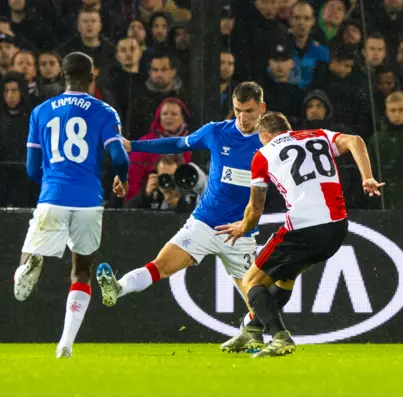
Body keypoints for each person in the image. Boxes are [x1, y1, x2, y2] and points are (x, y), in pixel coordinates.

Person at [96, 82, 289, 353]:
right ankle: (118, 288)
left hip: (241, 232)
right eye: (237, 111)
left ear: (263, 108)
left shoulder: (273, 142)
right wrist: (132, 145)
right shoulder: (216, 132)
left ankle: (260, 341)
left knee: (256, 299)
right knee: (161, 265)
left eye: (249, 111)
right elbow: (175, 142)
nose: (243, 118)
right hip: (204, 222)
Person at [215, 112, 383, 357]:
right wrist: (367, 177)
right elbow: (355, 140)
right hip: (337, 227)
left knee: (252, 281)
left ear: (264, 135)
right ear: (288, 128)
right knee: (284, 278)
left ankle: (280, 337)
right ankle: (251, 328)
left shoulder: (263, 154)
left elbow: (255, 208)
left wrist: (243, 226)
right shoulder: (318, 135)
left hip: (304, 227)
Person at [13, 52, 130, 359]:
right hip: (90, 200)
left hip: (54, 194)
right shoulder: (104, 111)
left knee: (33, 247)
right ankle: (65, 343)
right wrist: (121, 178)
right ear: (92, 76)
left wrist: (52, 180)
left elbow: (30, 168)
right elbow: (119, 157)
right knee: (82, 270)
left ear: (62, 76)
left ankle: (30, 263)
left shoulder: (41, 111)